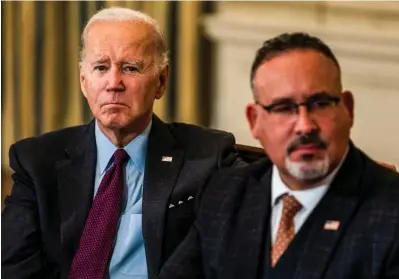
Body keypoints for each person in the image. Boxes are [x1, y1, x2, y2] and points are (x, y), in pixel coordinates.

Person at [1, 7, 243, 279]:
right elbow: (15, 268)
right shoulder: (36, 161)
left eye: (130, 68)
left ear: (161, 81)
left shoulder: (208, 157)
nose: (113, 82)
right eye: (101, 67)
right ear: (84, 80)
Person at [158, 32, 399, 279]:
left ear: (348, 109)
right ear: (255, 121)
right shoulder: (224, 194)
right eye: (284, 108)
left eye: (320, 104)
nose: (305, 125)